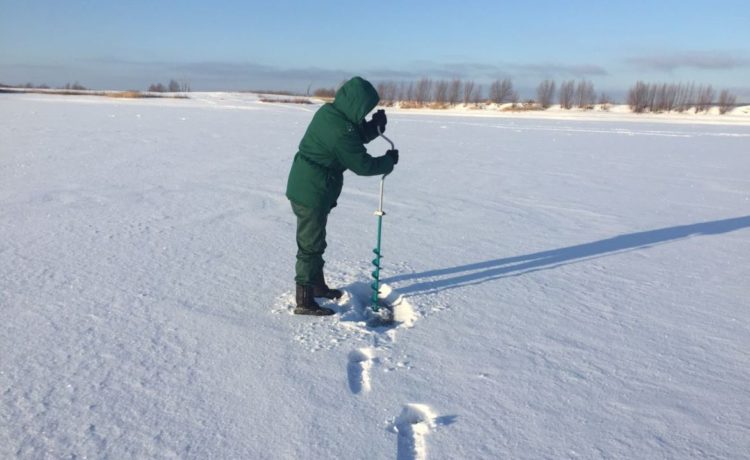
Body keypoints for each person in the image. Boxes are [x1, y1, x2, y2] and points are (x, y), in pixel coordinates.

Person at [286, 76, 399, 315]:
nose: (365, 113)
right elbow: (361, 163)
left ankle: (316, 287)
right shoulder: (339, 129)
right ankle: (304, 300)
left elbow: (352, 137)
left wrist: (373, 127)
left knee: (315, 240)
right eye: (365, 109)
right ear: (357, 103)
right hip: (311, 190)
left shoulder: (331, 114)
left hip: (312, 185)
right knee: (310, 244)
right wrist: (388, 161)